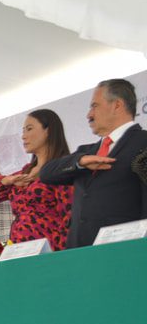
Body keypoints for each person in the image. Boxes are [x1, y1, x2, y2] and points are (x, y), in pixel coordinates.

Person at [40, 79, 147, 248]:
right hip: (79, 251)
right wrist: (80, 162)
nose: (89, 115)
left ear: (117, 105)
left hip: (124, 251)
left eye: (94, 106)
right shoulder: (86, 152)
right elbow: (46, 174)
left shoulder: (143, 142)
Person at [0, 109, 74, 250]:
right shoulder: (24, 173)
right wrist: (7, 181)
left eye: (29, 129)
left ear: (48, 131)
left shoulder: (62, 168)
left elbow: (69, 216)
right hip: (19, 250)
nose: (23, 136)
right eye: (23, 130)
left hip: (50, 250)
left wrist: (62, 254)